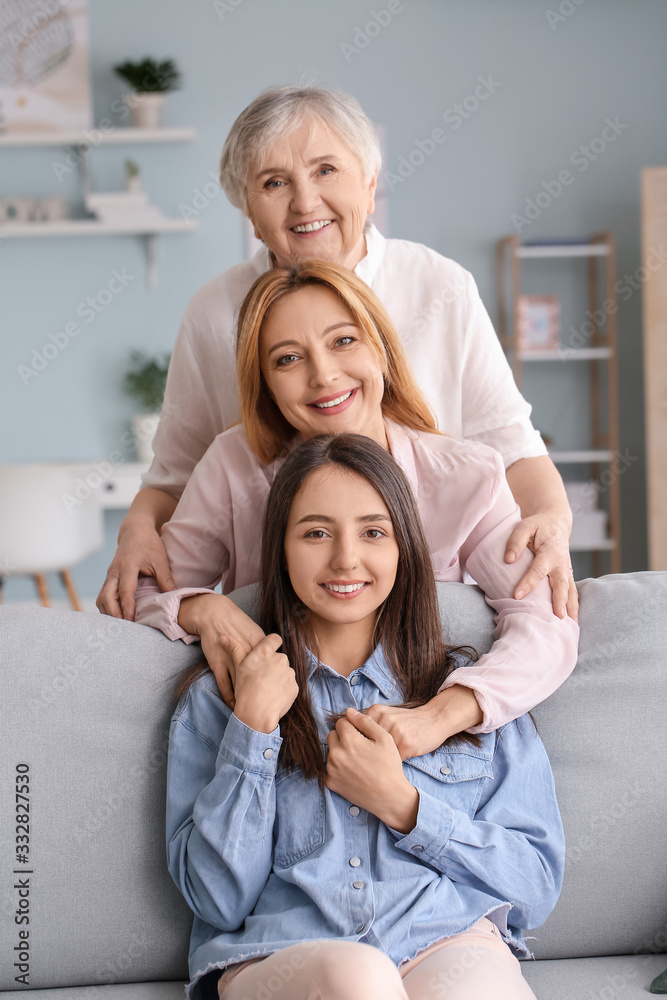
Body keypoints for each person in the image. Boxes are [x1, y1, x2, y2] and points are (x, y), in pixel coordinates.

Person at [97, 83, 577, 625]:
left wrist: (554, 519)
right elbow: (174, 478)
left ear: (370, 185)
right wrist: (138, 530)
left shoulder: (440, 286)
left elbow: (511, 446)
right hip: (275, 618)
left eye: (326, 170)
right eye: (274, 183)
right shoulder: (214, 313)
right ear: (249, 214)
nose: (305, 202)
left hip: (426, 605)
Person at [166, 433, 565, 1000]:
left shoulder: (469, 695)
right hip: (282, 956)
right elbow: (217, 900)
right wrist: (253, 727)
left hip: (447, 940)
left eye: (373, 532)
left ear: (404, 547)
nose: (346, 559)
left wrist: (405, 808)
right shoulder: (219, 698)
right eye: (316, 533)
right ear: (280, 546)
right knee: (359, 977)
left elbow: (536, 886)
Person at [135, 261, 578, 754]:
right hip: (280, 744)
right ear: (264, 382)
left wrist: (443, 715)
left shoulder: (467, 477)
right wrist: (204, 609)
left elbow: (545, 622)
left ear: (382, 350)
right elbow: (142, 593)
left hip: (420, 750)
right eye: (287, 359)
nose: (323, 375)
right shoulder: (233, 467)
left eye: (343, 341)